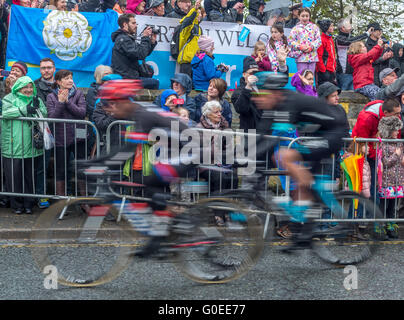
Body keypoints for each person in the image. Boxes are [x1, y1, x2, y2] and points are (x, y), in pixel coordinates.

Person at [252, 72, 350, 250]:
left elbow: (274, 139)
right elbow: (261, 135)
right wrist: (242, 155)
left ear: (274, 93)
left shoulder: (288, 103)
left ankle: (311, 214)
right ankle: (302, 233)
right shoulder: (273, 106)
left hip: (333, 132)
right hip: (319, 134)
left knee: (284, 155)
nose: (258, 99)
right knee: (299, 186)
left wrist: (252, 158)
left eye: (262, 95)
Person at [1, 76, 48, 214]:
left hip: (32, 147)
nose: (28, 90)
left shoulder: (37, 99)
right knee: (14, 177)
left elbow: (44, 114)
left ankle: (28, 204)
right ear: (18, 87)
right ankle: (17, 205)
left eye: (30, 87)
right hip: (13, 146)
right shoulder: (9, 98)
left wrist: (38, 109)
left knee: (30, 177)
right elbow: (6, 112)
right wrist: (25, 109)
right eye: (25, 87)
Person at [46, 69, 87, 196]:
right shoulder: (51, 96)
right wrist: (60, 102)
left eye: (71, 78)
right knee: (61, 170)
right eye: (66, 78)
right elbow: (52, 118)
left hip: (79, 136)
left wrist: (67, 102)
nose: (70, 80)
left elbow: (82, 113)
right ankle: (61, 200)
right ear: (58, 82)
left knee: (81, 168)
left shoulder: (78, 94)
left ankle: (84, 200)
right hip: (61, 138)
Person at [231, 51, 288, 131]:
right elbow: (241, 109)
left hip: (265, 132)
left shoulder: (263, 86)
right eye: (251, 72)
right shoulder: (239, 91)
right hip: (248, 133)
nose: (254, 75)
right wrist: (248, 87)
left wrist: (282, 64)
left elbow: (280, 82)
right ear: (244, 74)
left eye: (256, 72)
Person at [196, 100, 237, 197]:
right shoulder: (199, 128)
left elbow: (229, 149)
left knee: (233, 177)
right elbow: (200, 152)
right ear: (208, 114)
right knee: (219, 177)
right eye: (216, 112)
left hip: (222, 163)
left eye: (220, 112)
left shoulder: (225, 127)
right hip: (205, 164)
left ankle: (230, 206)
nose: (219, 114)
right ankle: (216, 205)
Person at [111, 13, 159, 90]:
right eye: (133, 23)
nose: (136, 25)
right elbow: (141, 54)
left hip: (130, 77)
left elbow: (143, 52)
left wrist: (152, 42)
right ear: (125, 24)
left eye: (136, 23)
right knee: (154, 83)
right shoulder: (123, 39)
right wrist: (145, 37)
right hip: (126, 79)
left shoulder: (126, 38)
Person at [34, 57, 56, 209]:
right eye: (43, 68)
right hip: (44, 131)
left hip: (62, 131)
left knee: (66, 166)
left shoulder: (62, 83)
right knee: (42, 166)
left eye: (49, 67)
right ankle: (41, 195)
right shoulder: (34, 86)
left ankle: (64, 196)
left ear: (54, 68)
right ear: (40, 70)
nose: (46, 70)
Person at [377, 116, 403, 239]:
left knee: (393, 207)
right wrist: (396, 155)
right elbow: (386, 162)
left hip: (397, 181)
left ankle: (391, 228)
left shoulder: (399, 143)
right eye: (395, 130)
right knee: (384, 206)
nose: (397, 132)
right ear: (389, 130)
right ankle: (380, 228)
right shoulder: (383, 145)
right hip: (386, 182)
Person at [335, 18, 372, 91]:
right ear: (343, 28)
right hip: (344, 73)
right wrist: (366, 34)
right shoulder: (339, 39)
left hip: (353, 72)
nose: (351, 26)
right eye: (348, 24)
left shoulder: (351, 37)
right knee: (345, 94)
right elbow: (349, 41)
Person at [288, 7, 322, 75]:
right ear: (299, 17)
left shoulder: (314, 27)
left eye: (307, 16)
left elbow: (318, 40)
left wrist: (311, 47)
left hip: (312, 57)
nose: (305, 18)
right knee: (302, 77)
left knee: (310, 77)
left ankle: (310, 86)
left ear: (309, 17)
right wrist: (300, 47)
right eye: (303, 16)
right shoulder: (295, 29)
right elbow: (290, 41)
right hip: (301, 57)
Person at [174, 0, 202, 78]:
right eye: (198, 13)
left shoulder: (199, 28)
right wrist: (195, 9)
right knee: (185, 87)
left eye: (200, 13)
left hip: (196, 62)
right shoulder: (187, 25)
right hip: (187, 63)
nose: (200, 15)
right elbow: (188, 20)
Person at [365, 23, 394, 88]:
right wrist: (382, 58)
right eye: (378, 30)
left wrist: (389, 54)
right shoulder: (366, 45)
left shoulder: (383, 43)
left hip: (384, 74)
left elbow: (386, 59)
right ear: (372, 32)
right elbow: (370, 60)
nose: (380, 32)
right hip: (373, 75)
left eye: (380, 31)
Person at [316, 19, 337, 86]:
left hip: (331, 70)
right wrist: (323, 70)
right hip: (324, 71)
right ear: (326, 27)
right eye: (331, 26)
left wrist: (334, 67)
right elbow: (319, 56)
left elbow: (332, 55)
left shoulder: (330, 39)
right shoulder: (321, 39)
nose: (333, 28)